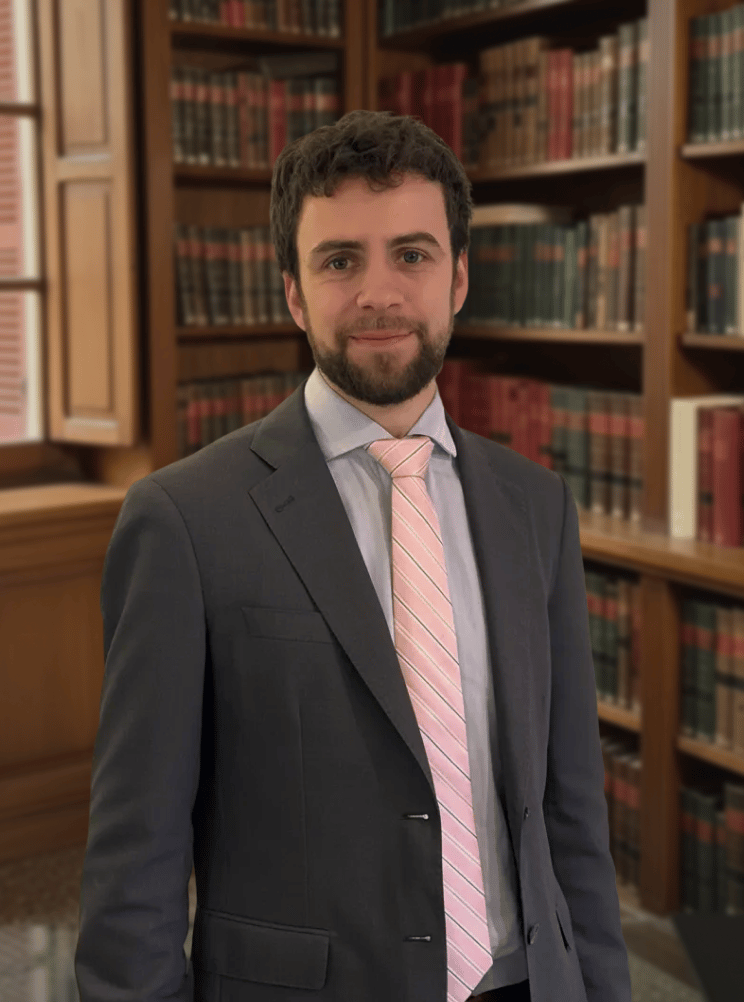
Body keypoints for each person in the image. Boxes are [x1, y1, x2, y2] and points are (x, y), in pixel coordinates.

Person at [74, 110, 632, 1002]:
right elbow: (135, 857)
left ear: (457, 279)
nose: (379, 293)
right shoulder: (182, 520)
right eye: (340, 261)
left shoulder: (538, 507)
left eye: (411, 255)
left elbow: (571, 814)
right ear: (294, 292)